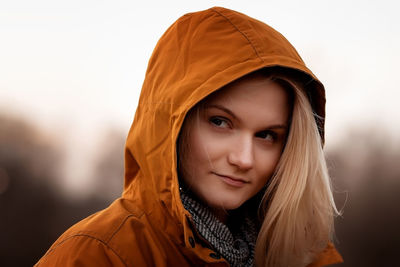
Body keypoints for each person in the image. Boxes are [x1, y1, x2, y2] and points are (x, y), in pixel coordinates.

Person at [36, 6, 343, 267]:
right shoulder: (97, 255)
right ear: (172, 122)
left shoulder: (304, 256)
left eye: (266, 135)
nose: (244, 159)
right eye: (221, 122)